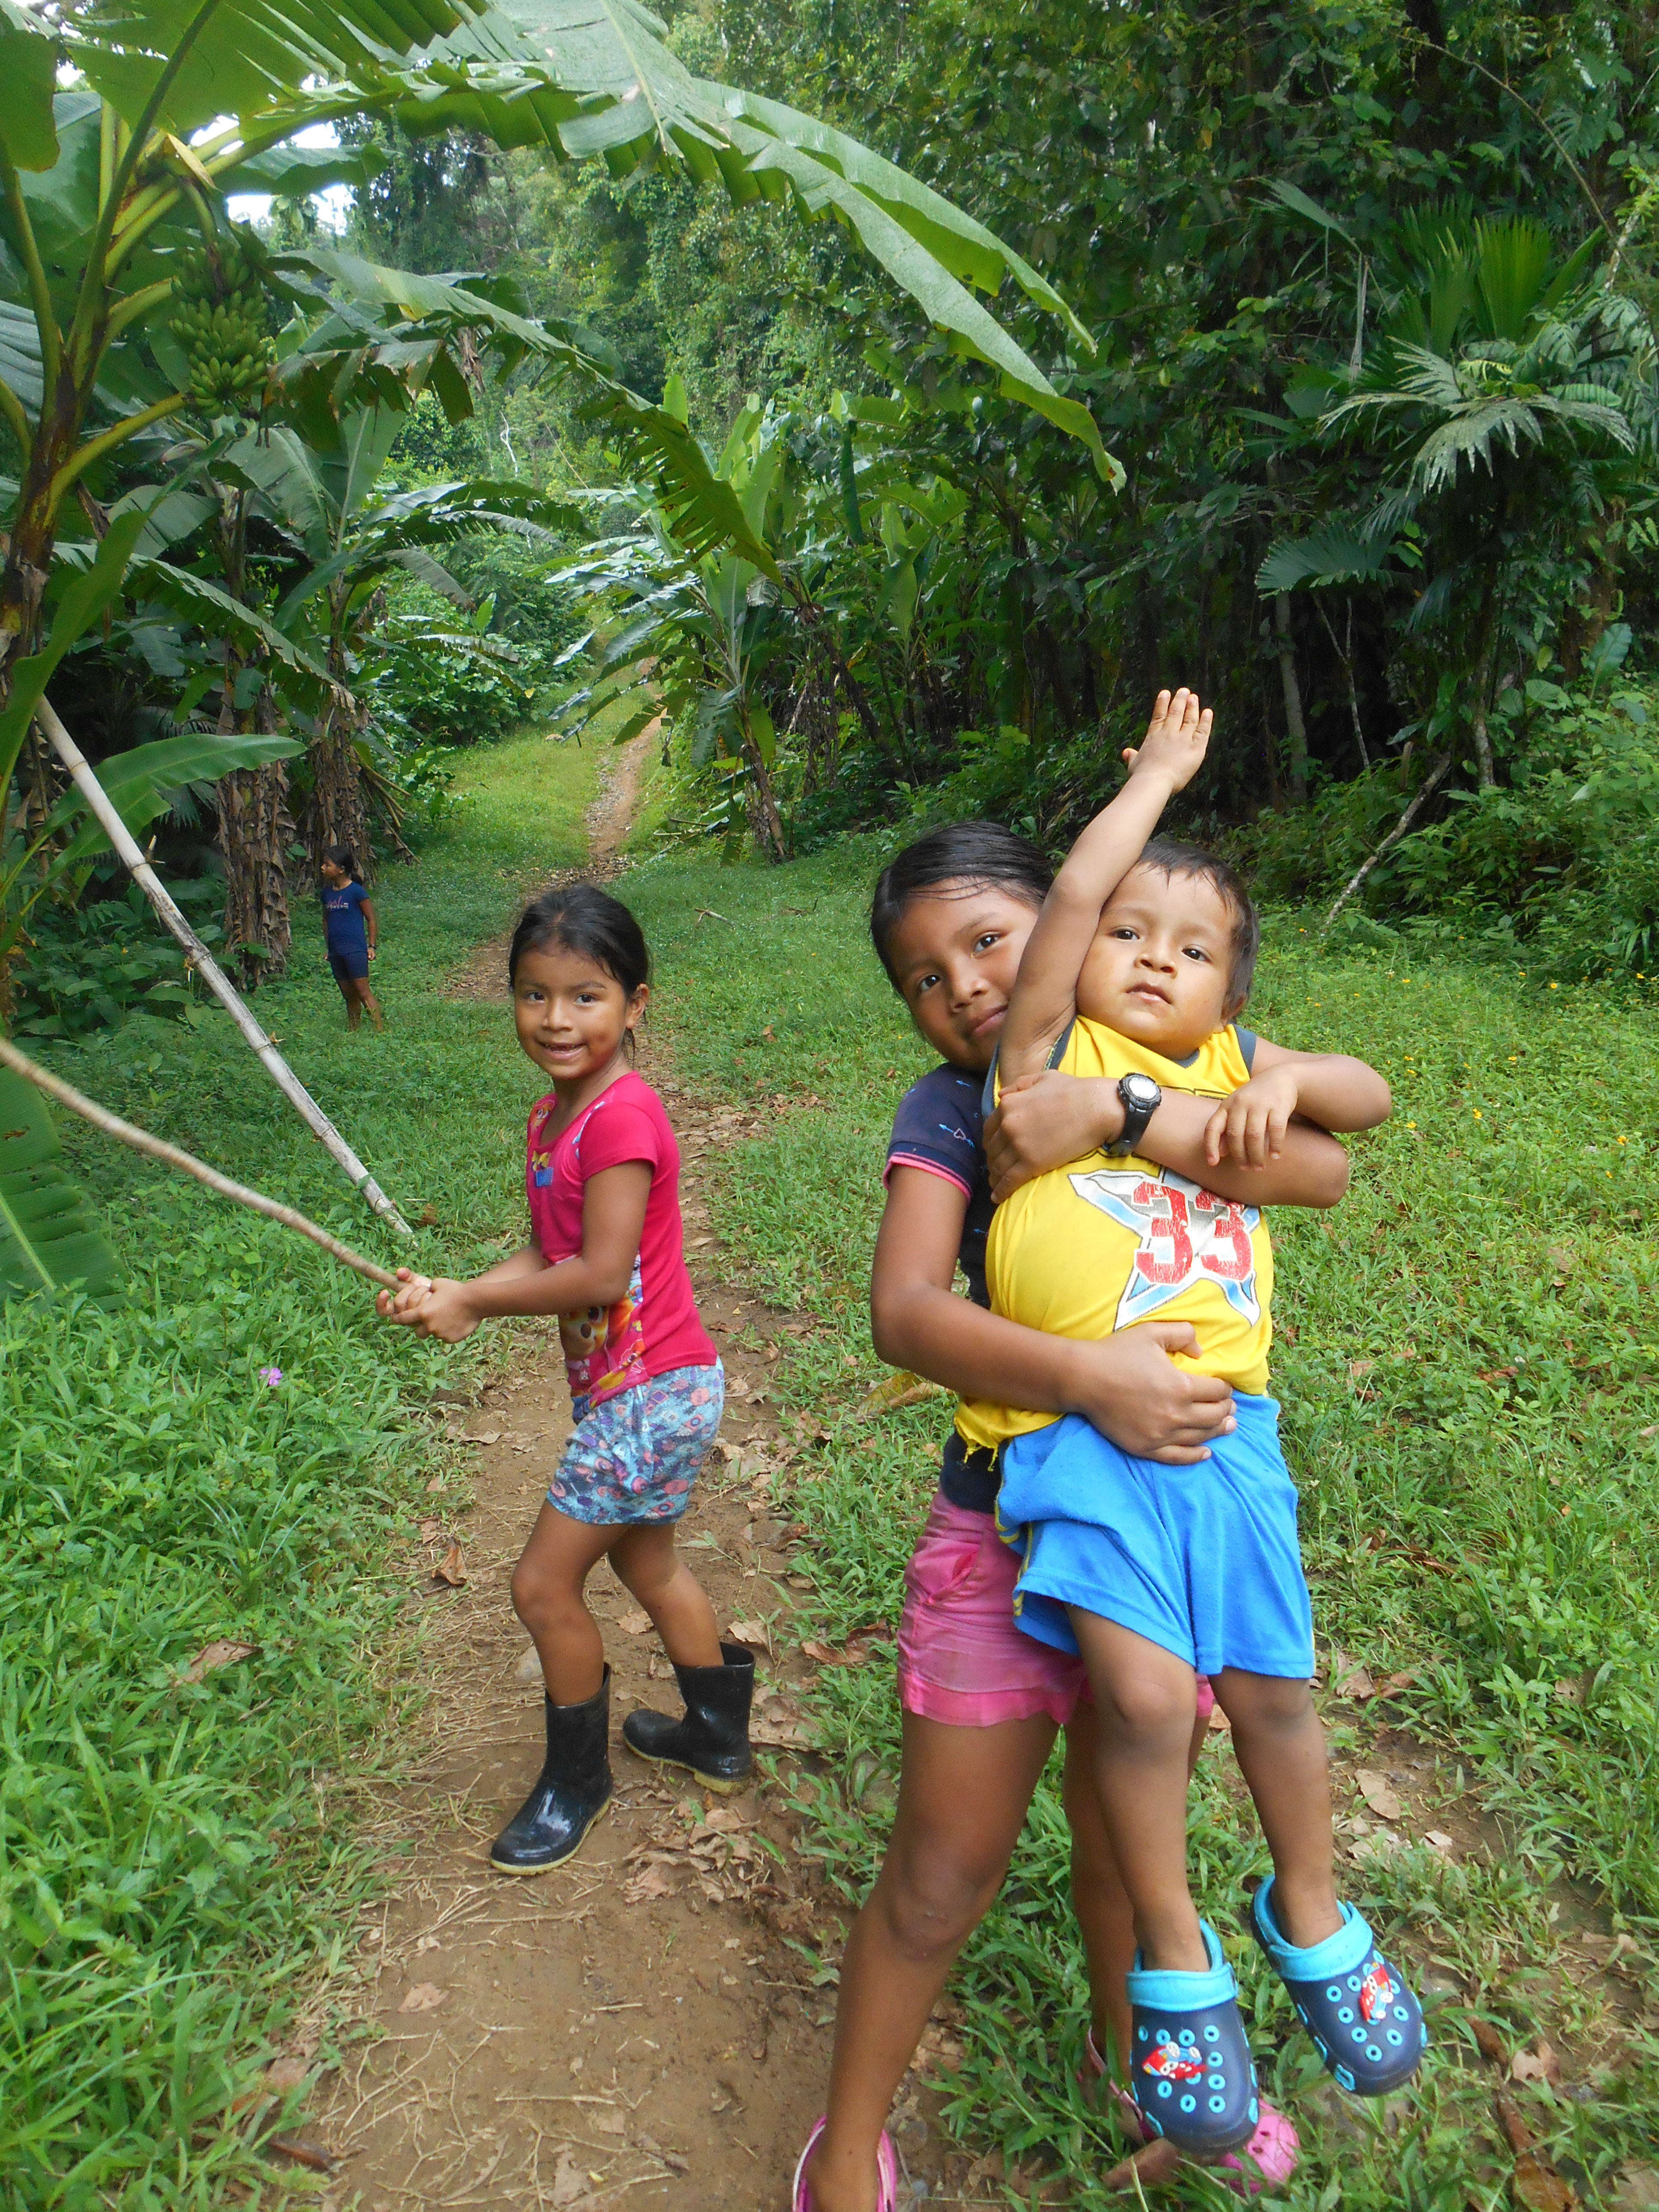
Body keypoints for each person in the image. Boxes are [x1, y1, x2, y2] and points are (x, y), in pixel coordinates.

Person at [795, 810, 1358, 2212]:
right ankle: (850, 2139)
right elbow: (904, 1314)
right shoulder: (955, 1109)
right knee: (941, 1875)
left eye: (990, 941)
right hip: (1000, 1539)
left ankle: (1149, 2065)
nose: (967, 987)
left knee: (1122, 1846)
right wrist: (1089, 1378)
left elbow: (1321, 1165)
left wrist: (1124, 1111)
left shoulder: (1170, 1055)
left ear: (1069, 918)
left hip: (1160, 1536)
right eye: (925, 978)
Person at [973, 690, 1424, 2157]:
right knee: (1152, 1703)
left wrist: (1282, 1077)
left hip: (1233, 1436)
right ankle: (1175, 1957)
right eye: (1131, 933)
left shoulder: (1230, 1074)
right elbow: (1074, 900)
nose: (1154, 955)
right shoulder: (1040, 1061)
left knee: (1276, 1691)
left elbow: (1366, 1100)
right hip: (1087, 1443)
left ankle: (1313, 1910)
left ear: (1232, 996)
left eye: (1194, 947)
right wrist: (1157, 784)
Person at [377, 882, 749, 1873]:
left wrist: (475, 1303)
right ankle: (717, 1737)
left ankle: (576, 1782)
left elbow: (598, 1274)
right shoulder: (554, 1116)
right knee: (648, 1565)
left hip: (648, 1399)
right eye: (534, 994)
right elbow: (549, 1252)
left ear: (635, 1003)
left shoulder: (622, 1119)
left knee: (543, 1587)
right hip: (653, 1391)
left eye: (586, 996)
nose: (556, 1018)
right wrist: (455, 1290)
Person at [319, 845, 384, 1033]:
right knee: (349, 995)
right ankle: (353, 1030)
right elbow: (326, 921)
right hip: (336, 951)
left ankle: (380, 1031)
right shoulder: (327, 893)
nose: (323, 868)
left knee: (363, 992)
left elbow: (371, 920)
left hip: (355, 950)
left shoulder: (357, 892)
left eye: (328, 865)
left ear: (341, 869)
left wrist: (371, 946)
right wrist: (329, 948)